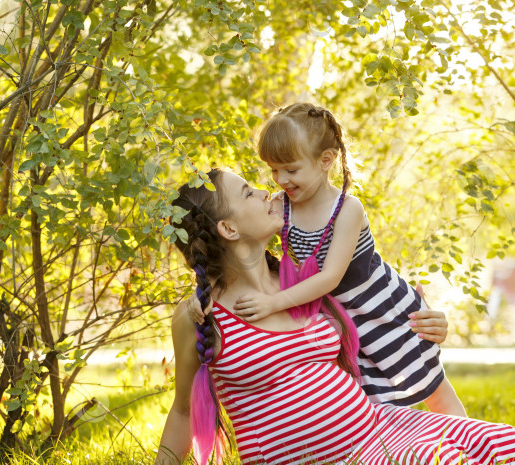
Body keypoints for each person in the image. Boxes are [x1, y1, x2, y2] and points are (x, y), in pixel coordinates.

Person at [154, 169, 515, 465]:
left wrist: (429, 321)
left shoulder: (306, 276)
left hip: (373, 426)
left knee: (489, 437)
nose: (268, 192)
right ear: (228, 229)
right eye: (249, 192)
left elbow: (381, 307)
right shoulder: (200, 315)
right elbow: (182, 410)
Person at [189, 103, 466, 417]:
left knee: (428, 384)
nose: (280, 179)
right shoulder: (280, 208)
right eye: (273, 169)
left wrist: (274, 303)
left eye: (291, 169)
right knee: (369, 400)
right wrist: (204, 292)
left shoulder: (347, 209)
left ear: (326, 160)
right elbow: (235, 251)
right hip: (337, 316)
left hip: (378, 307)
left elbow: (331, 277)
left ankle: (470, 442)